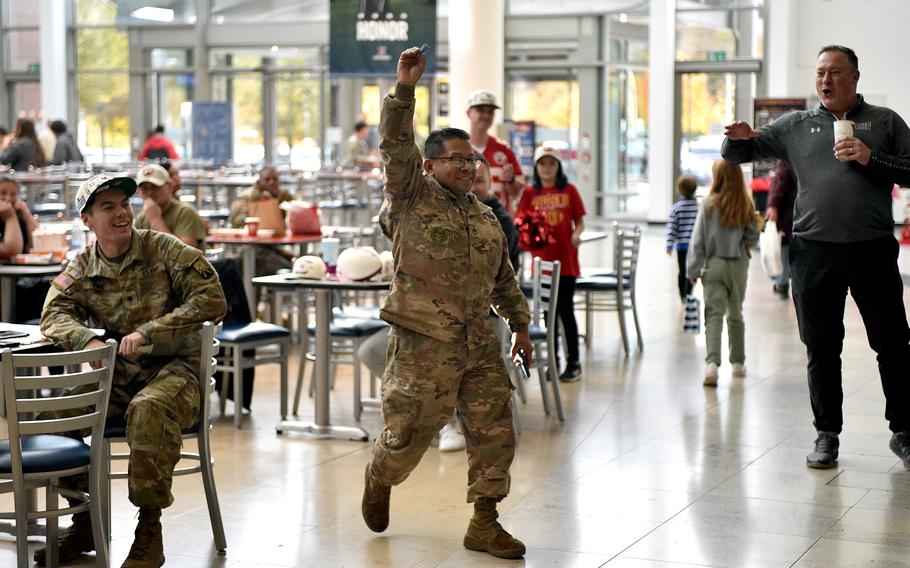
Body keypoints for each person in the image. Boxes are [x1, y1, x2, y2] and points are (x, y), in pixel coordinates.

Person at [362, 46, 532, 560]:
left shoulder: (484, 218)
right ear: (430, 165)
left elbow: (502, 278)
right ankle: (380, 474)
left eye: (471, 159)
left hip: (480, 344)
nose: (468, 166)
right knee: (408, 437)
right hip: (422, 344)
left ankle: (485, 521)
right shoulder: (411, 195)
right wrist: (405, 89)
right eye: (456, 159)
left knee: (494, 432)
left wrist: (520, 324)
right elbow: (395, 144)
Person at [722, 44, 910, 470]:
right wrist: (733, 138)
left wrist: (871, 157)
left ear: (855, 77)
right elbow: (740, 153)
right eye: (821, 72)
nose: (826, 80)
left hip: (872, 249)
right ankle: (827, 435)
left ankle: (904, 432)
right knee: (822, 348)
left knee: (894, 345)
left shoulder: (885, 122)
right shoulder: (796, 125)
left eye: (836, 72)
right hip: (813, 253)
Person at [37, 173, 226, 567]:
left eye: (125, 204)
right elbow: (53, 313)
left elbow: (211, 298)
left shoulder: (163, 248)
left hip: (176, 371)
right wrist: (85, 340)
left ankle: (149, 532)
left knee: (149, 409)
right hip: (119, 376)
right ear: (87, 220)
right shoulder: (84, 265)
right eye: (109, 207)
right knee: (51, 418)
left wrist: (151, 332)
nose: (122, 213)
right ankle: (84, 518)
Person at [357, 153, 521, 453]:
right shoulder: (433, 212)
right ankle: (432, 412)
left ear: (489, 184)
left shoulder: (495, 220)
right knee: (372, 350)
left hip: (479, 321)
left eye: (479, 179)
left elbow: (500, 282)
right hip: (426, 320)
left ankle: (447, 420)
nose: (471, 184)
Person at [514, 143, 586, 382]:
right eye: (542, 163)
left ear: (559, 166)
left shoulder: (570, 190)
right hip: (542, 265)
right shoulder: (530, 193)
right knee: (548, 315)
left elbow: (580, 220)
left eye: (551, 163)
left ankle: (574, 362)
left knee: (566, 312)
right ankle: (552, 362)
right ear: (536, 167)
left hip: (566, 263)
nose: (547, 168)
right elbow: (521, 223)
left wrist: (577, 234)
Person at [686, 160, 759, 387]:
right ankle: (737, 363)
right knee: (735, 314)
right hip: (738, 264)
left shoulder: (708, 205)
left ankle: (712, 366)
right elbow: (753, 237)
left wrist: (693, 269)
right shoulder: (745, 204)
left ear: (716, 177)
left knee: (713, 315)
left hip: (714, 264)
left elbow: (698, 241)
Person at [466, 89, 525, 216]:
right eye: (480, 110)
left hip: (499, 222)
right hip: (465, 221)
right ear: (469, 113)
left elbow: (517, 192)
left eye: (490, 112)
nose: (486, 115)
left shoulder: (504, 149)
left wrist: (510, 180)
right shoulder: (458, 148)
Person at [229, 166, 294, 277]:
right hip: (254, 248)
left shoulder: (285, 196)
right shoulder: (247, 197)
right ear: (259, 181)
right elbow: (237, 221)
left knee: (296, 262)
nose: (271, 182)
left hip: (277, 246)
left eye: (275, 179)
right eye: (267, 179)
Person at [133, 163, 207, 250]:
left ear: (170, 186)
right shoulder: (142, 218)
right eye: (145, 188)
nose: (150, 192)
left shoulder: (185, 212)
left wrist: (155, 220)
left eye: (156, 187)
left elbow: (185, 258)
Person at [766, 160, 797, 298]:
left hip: (785, 215)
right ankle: (785, 281)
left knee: (783, 249)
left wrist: (773, 204)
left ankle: (782, 283)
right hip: (795, 213)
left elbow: (780, 183)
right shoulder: (793, 161)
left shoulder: (785, 162)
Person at [666, 176, 699, 303]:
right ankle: (689, 291)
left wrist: (669, 246)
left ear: (679, 190)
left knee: (682, 270)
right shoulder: (698, 207)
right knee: (692, 270)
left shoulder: (676, 208)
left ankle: (682, 294)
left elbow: (672, 228)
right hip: (695, 246)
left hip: (682, 246)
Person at [0, 175, 37, 256]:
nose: (8, 198)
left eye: (13, 194)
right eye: (2, 193)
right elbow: (11, 252)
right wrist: (10, 217)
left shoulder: (19, 216)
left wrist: (26, 214)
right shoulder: (10, 216)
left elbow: (38, 243)